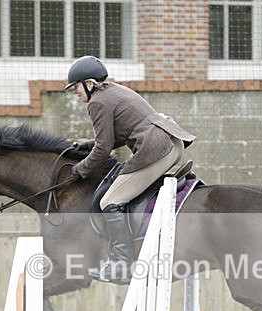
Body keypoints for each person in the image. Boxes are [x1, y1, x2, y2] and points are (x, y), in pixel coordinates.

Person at [65, 56, 195, 284]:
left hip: (156, 149)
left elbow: (104, 148)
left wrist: (81, 169)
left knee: (109, 202)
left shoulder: (97, 102)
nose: (75, 92)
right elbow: (113, 137)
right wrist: (87, 145)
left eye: (76, 87)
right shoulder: (114, 91)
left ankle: (121, 265)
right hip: (172, 143)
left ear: (90, 83)